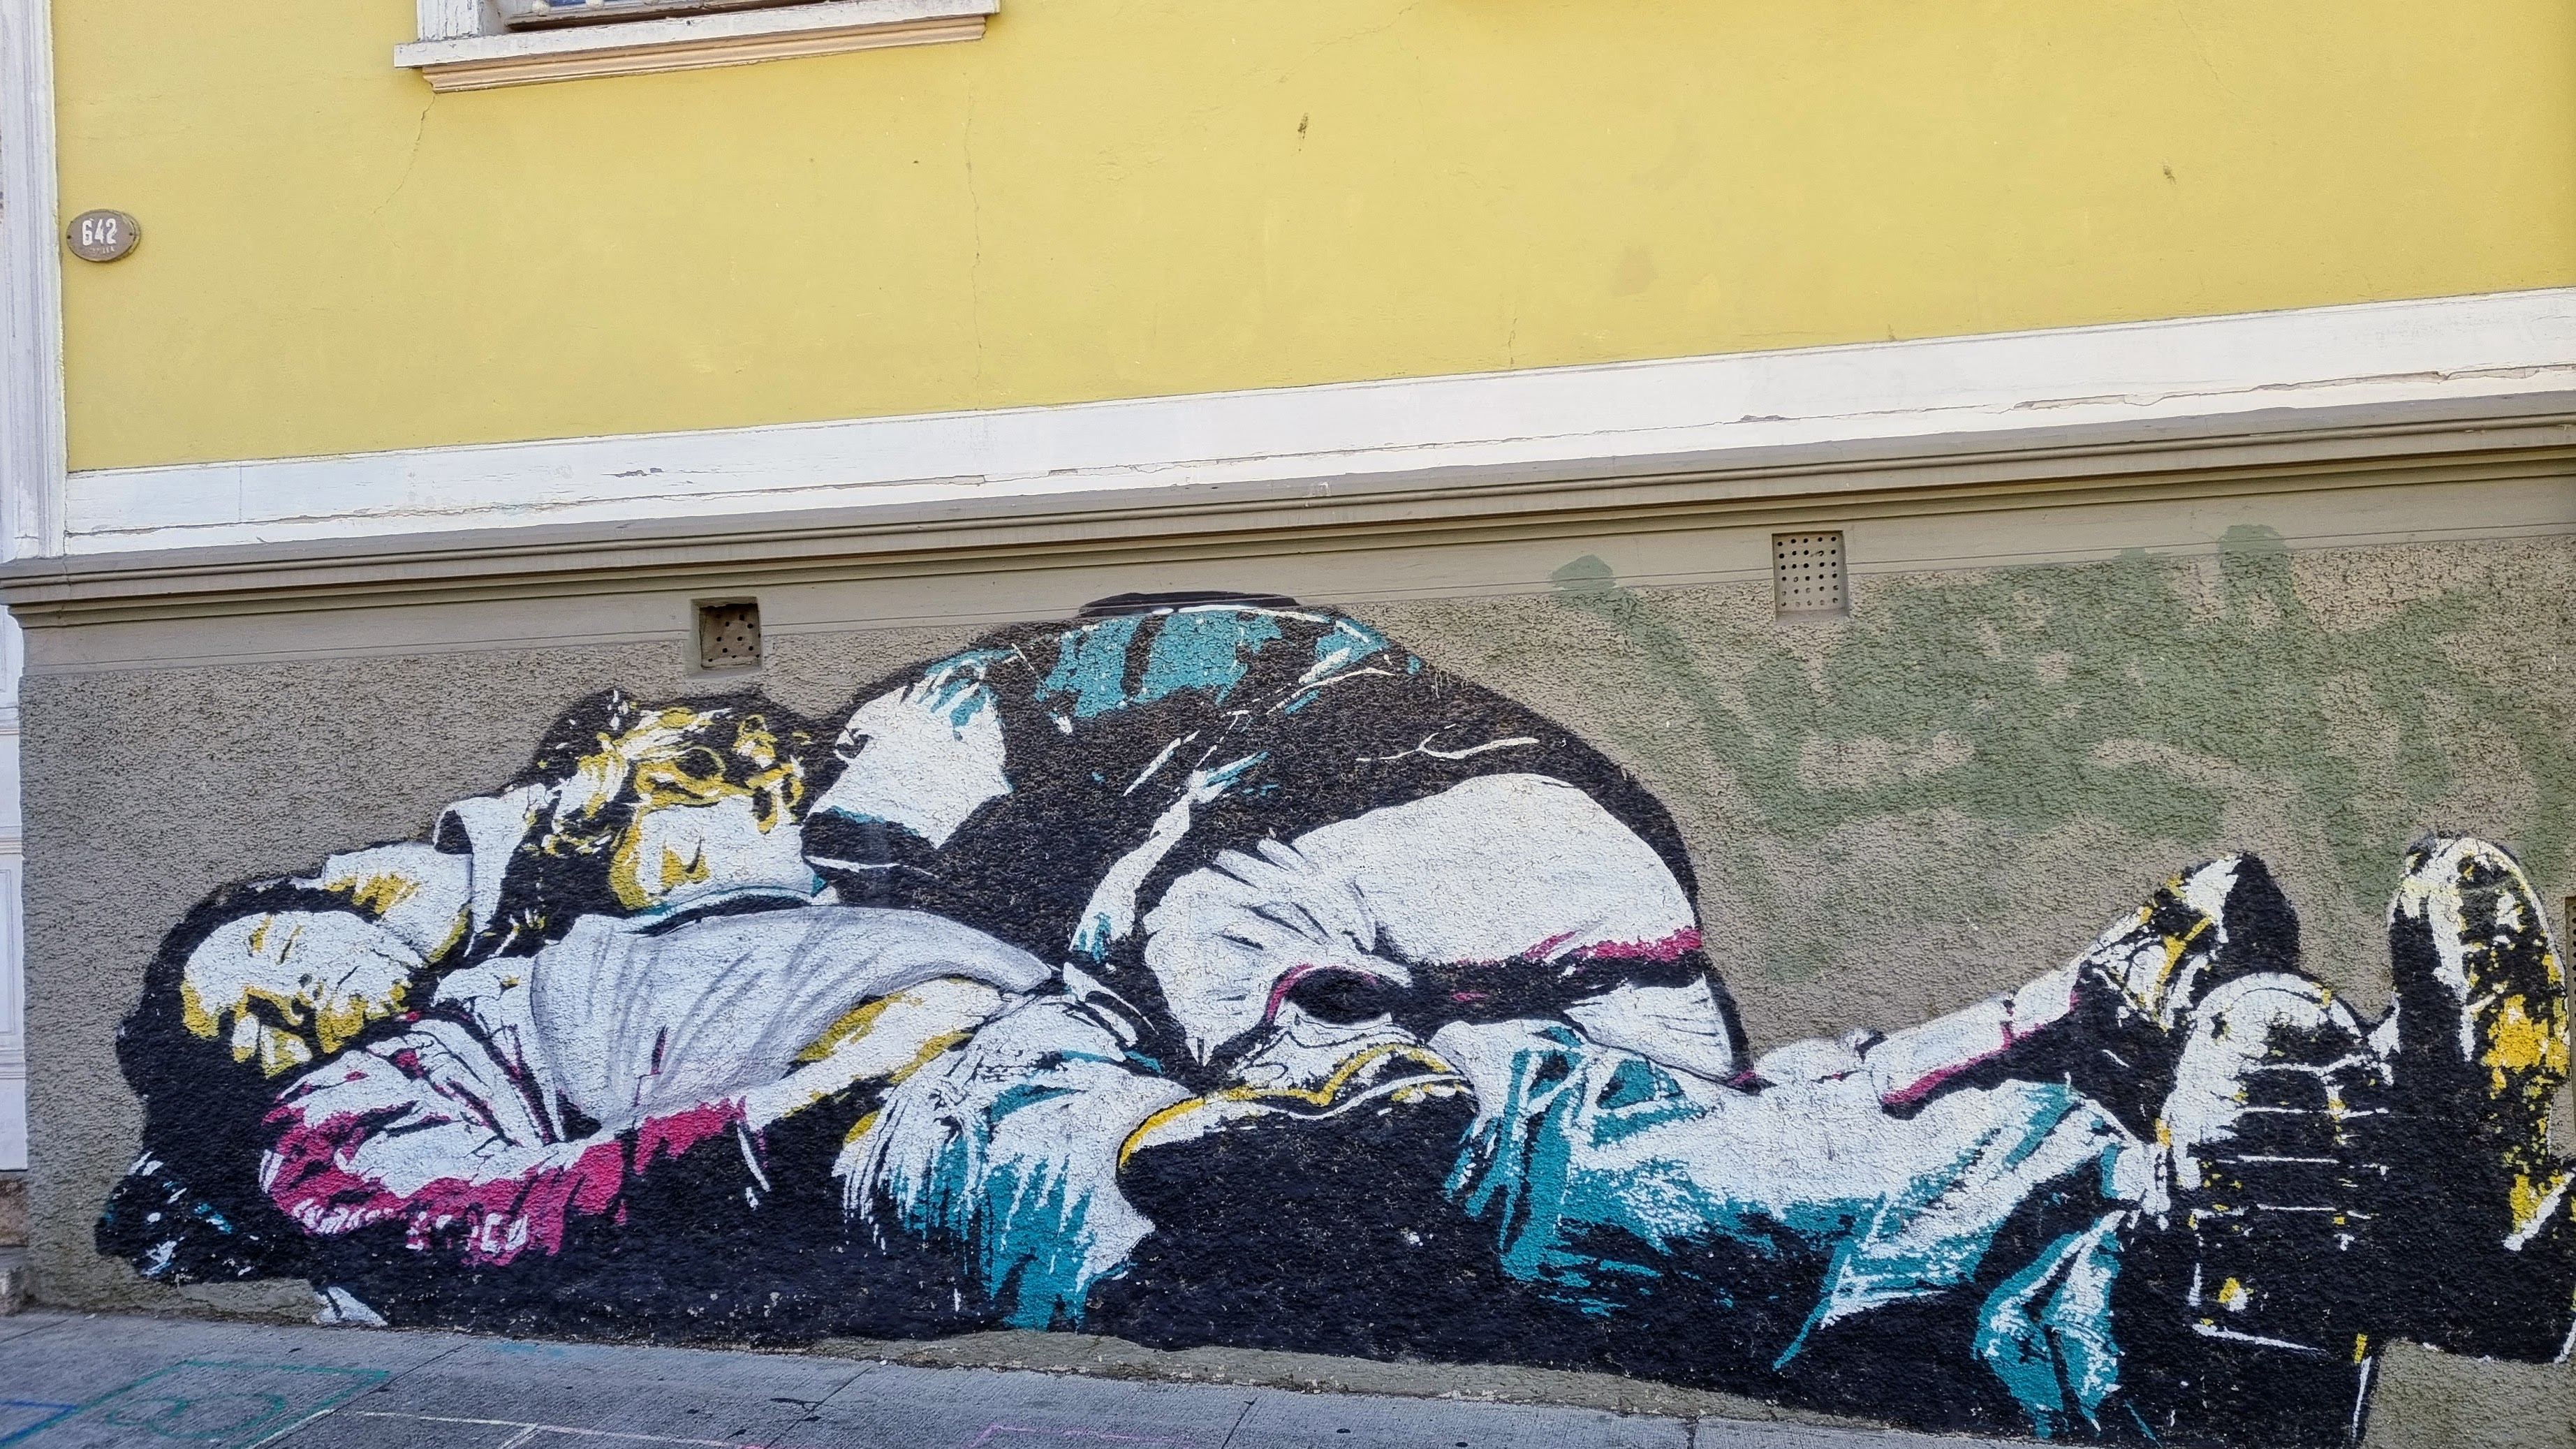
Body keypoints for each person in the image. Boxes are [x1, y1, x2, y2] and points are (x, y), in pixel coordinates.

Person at [101, 596, 2573, 1447]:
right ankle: (2167, 1238)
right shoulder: (372, 1099)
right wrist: (792, 1138)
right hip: (956, 1144)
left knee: (1555, 1151)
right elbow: (472, 1235)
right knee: (1493, 1168)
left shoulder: (704, 883)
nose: (313, 968)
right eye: (267, 996)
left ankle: (2221, 1261)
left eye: (293, 936)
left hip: (1102, 1041)